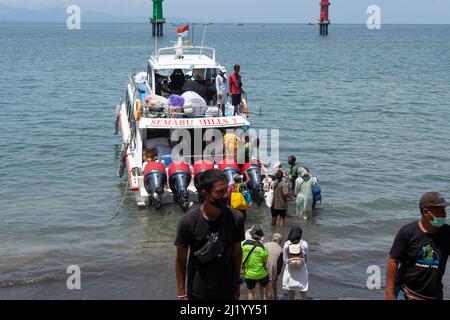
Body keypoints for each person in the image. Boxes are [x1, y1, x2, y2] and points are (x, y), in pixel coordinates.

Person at [174, 169, 245, 300]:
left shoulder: (236, 218)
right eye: (219, 192)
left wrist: (237, 285)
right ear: (205, 194)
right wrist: (181, 293)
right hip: (197, 292)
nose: (225, 196)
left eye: (225, 190)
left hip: (227, 290)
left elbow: (237, 252)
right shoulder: (188, 222)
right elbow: (181, 260)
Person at [385, 192, 450, 300]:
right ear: (426, 212)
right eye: (439, 210)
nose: (444, 214)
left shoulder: (448, 233)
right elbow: (393, 261)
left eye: (444, 209)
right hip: (405, 292)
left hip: (434, 294)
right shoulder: (407, 232)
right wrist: (389, 294)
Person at [241, 225, 273, 300]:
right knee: (268, 287)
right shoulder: (263, 248)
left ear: (251, 235)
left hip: (248, 274)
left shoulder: (243, 244)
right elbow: (264, 265)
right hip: (261, 273)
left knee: (250, 292)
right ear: (260, 236)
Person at [282, 226, 309, 300]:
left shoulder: (286, 244)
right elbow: (306, 256)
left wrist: (290, 264)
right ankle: (303, 298)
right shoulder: (304, 243)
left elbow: (284, 258)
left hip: (290, 268)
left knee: (291, 287)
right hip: (302, 268)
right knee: (303, 287)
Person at [265, 233, 284, 300]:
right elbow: (279, 265)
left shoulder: (265, 244)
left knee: (266, 286)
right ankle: (275, 297)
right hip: (273, 269)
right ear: (280, 241)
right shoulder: (280, 249)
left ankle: (272, 297)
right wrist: (277, 274)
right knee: (272, 284)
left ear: (272, 238)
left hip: (263, 268)